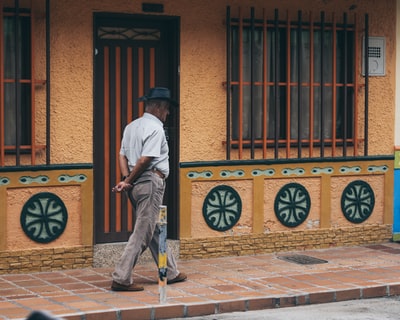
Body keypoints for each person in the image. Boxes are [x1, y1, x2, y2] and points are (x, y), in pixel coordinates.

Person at [110, 87, 187, 291]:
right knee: (143, 232)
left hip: (136, 184)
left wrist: (127, 179)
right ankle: (121, 277)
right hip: (150, 182)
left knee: (153, 228)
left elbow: (122, 155)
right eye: (167, 109)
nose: (168, 113)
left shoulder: (131, 126)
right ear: (159, 107)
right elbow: (146, 159)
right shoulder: (156, 129)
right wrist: (128, 181)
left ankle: (170, 271)